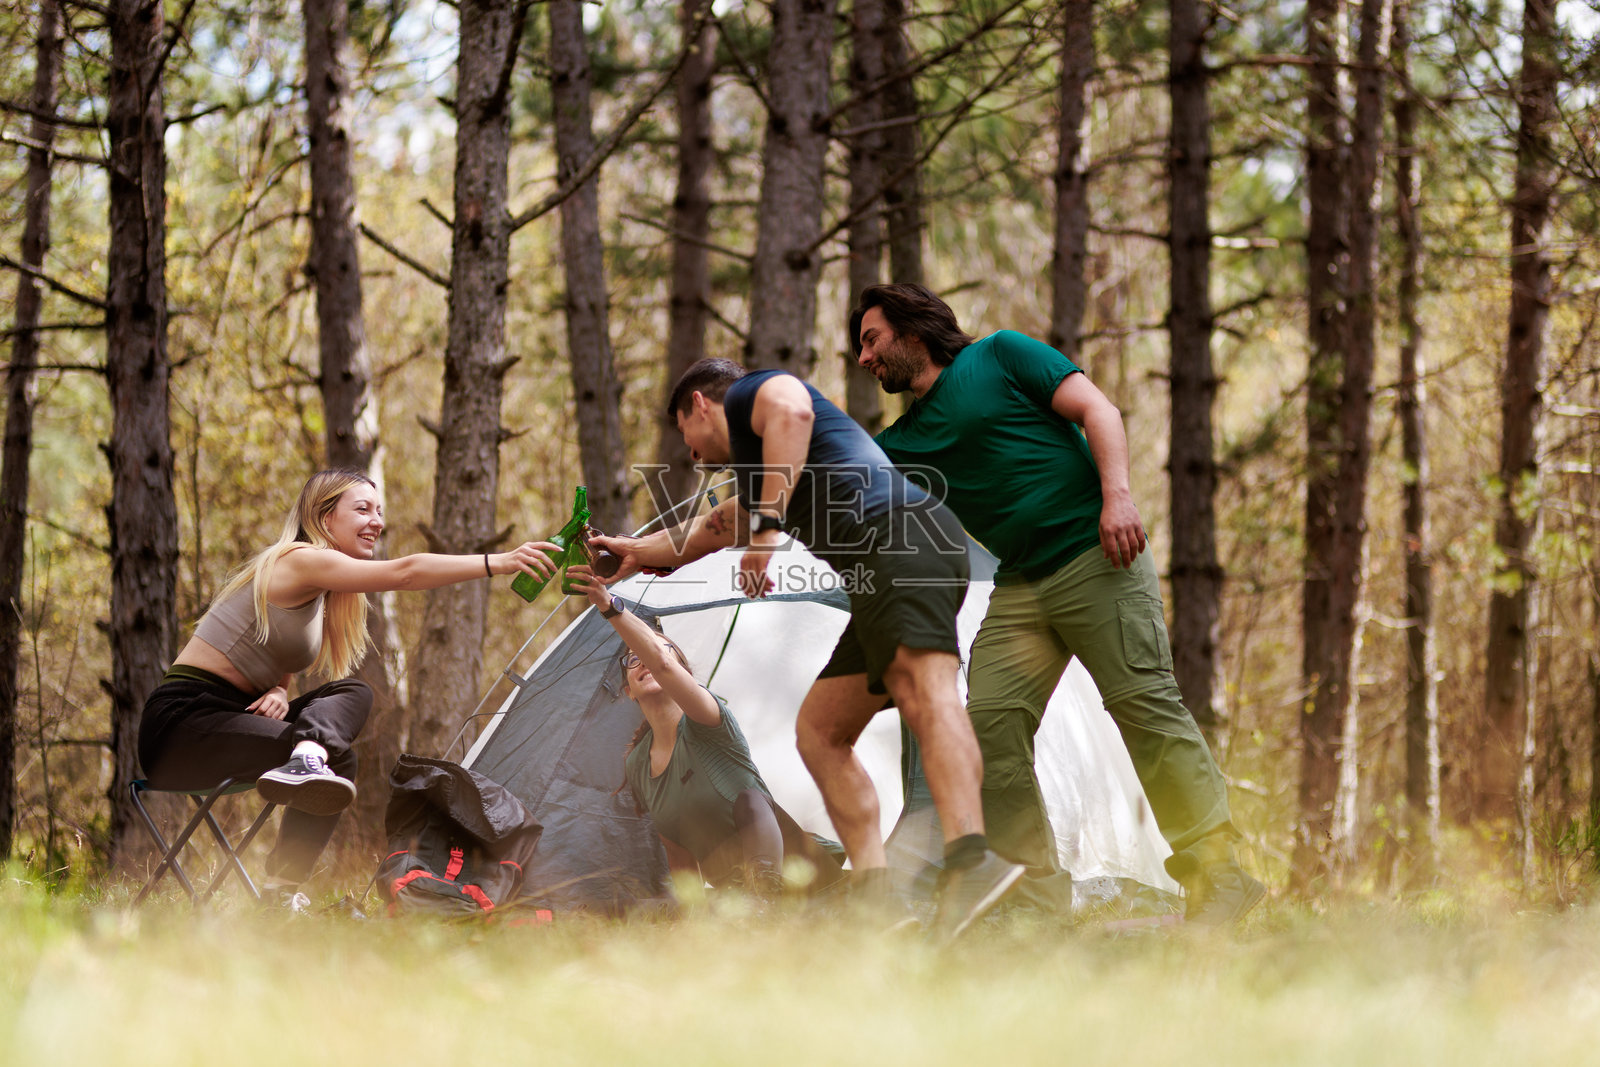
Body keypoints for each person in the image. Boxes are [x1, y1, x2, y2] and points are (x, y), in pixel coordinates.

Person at [851, 283, 1265, 925]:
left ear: (912, 331)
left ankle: (1220, 876)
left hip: (1099, 556)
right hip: (1020, 586)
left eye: (871, 339)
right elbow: (813, 484)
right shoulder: (902, 444)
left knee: (1145, 709)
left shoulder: (1003, 355)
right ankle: (1034, 894)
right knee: (986, 727)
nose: (864, 358)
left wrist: (1118, 496)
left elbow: (1097, 410)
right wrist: (674, 541)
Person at [590, 358, 1024, 939]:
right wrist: (636, 551)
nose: (690, 454)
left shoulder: (754, 394)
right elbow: (702, 535)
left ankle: (975, 858)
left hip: (906, 542)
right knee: (820, 733)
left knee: (927, 691)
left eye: (684, 433)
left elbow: (792, 407)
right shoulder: (769, 477)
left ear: (699, 404)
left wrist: (768, 530)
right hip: (885, 570)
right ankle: (877, 897)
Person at [137, 469, 560, 901]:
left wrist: (281, 690)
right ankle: (303, 781)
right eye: (362, 509)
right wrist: (499, 562)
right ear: (324, 518)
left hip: (231, 718)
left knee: (351, 699)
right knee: (335, 756)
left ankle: (282, 883)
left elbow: (280, 657)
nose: (377, 521)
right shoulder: (298, 559)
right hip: (180, 727)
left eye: (379, 511)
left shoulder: (318, 591)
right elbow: (406, 573)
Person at [565, 564, 844, 899]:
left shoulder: (708, 719)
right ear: (628, 692)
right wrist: (692, 919)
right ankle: (754, 906)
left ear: (682, 674)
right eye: (631, 660)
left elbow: (661, 663)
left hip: (809, 883)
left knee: (750, 800)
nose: (641, 660)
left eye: (653, 652)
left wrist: (609, 606)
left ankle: (765, 894)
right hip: (737, 902)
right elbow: (677, 850)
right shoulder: (638, 764)